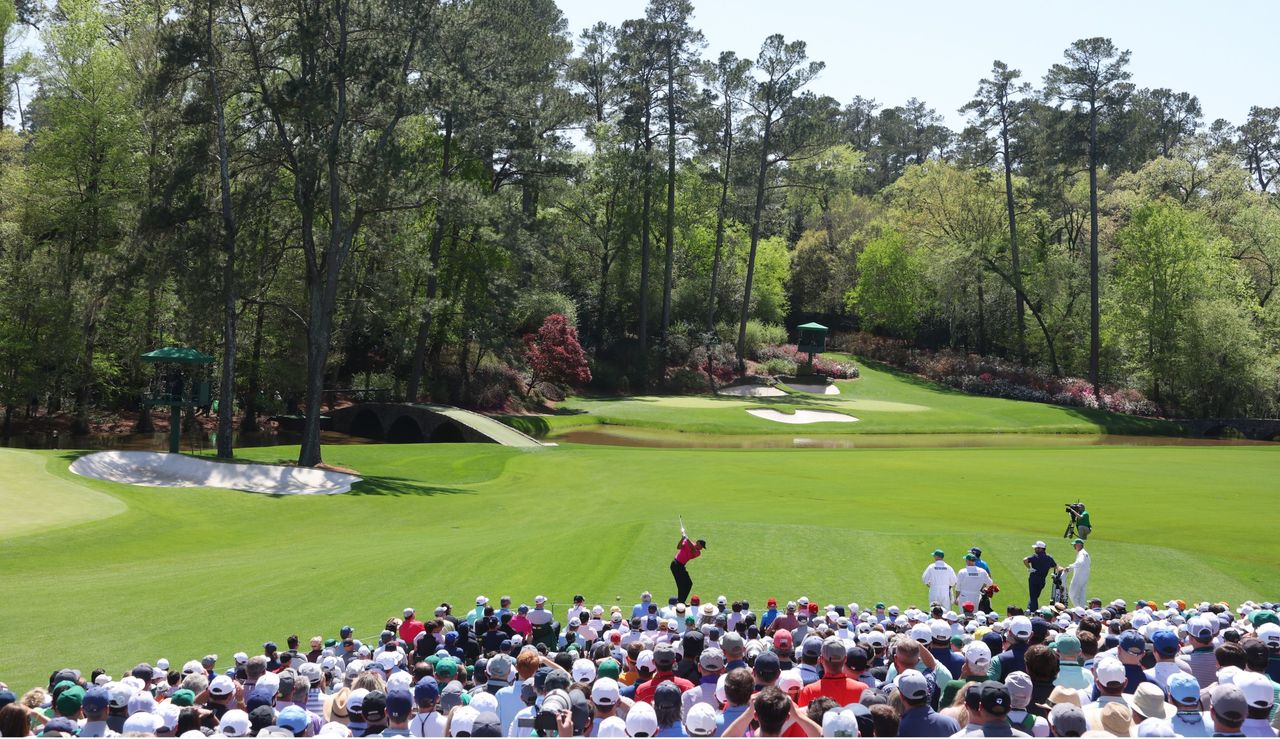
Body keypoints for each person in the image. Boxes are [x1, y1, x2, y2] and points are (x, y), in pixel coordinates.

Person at [670, 522, 705, 605]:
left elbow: (693, 549)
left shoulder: (698, 553)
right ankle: (681, 602)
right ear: (698, 543)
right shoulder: (686, 542)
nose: (702, 549)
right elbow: (678, 547)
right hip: (675, 564)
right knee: (681, 584)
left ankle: (681, 601)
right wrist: (682, 538)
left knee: (688, 583)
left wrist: (686, 538)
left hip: (681, 566)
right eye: (701, 546)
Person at [1022, 542, 1057, 611]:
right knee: (1034, 596)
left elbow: (1025, 560)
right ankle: (1029, 608)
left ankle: (1033, 612)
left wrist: (1029, 568)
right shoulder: (1049, 558)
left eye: (1036, 548)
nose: (1035, 549)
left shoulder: (1035, 556)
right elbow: (1054, 566)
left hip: (1033, 580)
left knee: (1033, 597)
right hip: (1042, 581)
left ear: (1040, 549)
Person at [1062, 539, 1090, 608]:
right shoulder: (1085, 553)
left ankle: (1078, 610)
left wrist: (1069, 567)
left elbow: (1080, 563)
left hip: (1078, 578)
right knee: (1081, 596)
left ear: (1079, 545)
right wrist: (1071, 568)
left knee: (1072, 595)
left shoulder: (1082, 553)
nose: (1074, 546)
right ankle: (1082, 608)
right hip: (1083, 578)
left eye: (1075, 545)